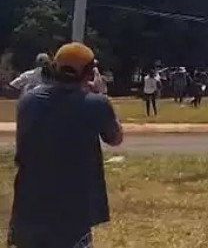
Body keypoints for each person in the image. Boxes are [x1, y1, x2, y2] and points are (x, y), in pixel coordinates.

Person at [8, 42, 123, 248]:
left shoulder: (27, 101)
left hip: (28, 206)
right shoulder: (95, 104)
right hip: (71, 210)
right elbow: (115, 138)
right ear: (88, 74)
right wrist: (100, 94)